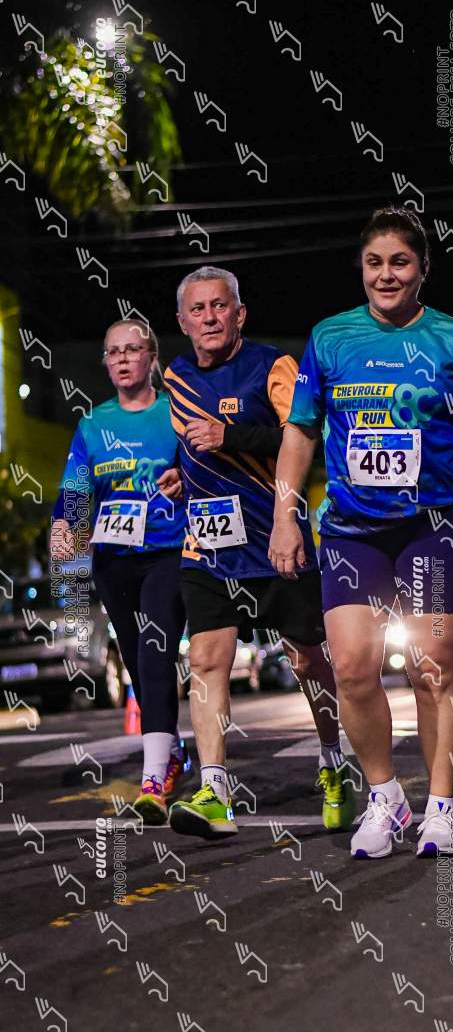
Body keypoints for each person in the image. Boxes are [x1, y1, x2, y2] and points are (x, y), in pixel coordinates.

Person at [269, 205, 453, 859]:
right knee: (350, 667)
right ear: (361, 268)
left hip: (436, 524)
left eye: (400, 262)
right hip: (352, 530)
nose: (386, 274)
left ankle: (441, 807)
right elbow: (300, 432)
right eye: (374, 262)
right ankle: (385, 796)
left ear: (422, 268)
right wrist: (285, 515)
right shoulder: (330, 338)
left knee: (432, 667)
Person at [163, 266, 352, 841]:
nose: (210, 317)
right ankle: (215, 791)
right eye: (198, 309)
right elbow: (192, 444)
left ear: (239, 314)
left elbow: (306, 434)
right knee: (205, 661)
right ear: (182, 321)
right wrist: (181, 474)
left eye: (220, 306)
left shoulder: (273, 366)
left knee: (308, 661)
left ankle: (333, 760)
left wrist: (232, 438)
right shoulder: (175, 376)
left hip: (276, 537)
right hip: (207, 543)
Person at [50, 321, 189, 825]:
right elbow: (76, 489)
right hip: (112, 559)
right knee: (135, 659)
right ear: (106, 363)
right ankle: (171, 751)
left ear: (152, 357)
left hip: (167, 553)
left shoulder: (175, 413)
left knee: (155, 653)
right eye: (114, 352)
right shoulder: (93, 424)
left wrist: (185, 481)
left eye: (133, 349)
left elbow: (206, 470)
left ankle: (153, 780)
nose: (124, 359)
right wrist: (64, 525)